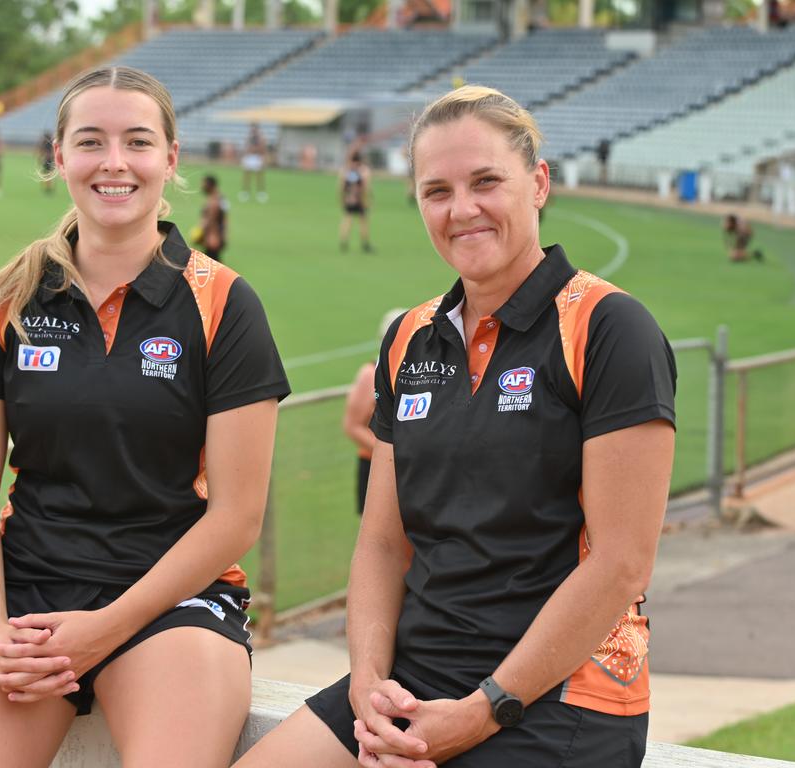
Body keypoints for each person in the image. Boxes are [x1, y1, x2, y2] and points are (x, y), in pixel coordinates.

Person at [235, 85, 676, 768]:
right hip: (417, 679)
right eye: (436, 190)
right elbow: (383, 543)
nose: (462, 209)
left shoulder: (610, 327)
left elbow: (621, 564)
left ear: (538, 183)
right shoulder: (410, 337)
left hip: (558, 698)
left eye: (486, 182)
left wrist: (483, 709)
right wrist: (368, 686)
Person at [0, 66, 290, 768]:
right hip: (25, 593)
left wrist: (105, 628)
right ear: (59, 157)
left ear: (171, 160)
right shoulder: (7, 301)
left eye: (138, 142)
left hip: (171, 598)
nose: (114, 162)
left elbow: (237, 516)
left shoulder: (225, 304)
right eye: (90, 141)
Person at [343, 309, 406, 516]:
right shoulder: (370, 373)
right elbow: (353, 426)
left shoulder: (422, 372)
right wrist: (393, 457)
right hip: (375, 467)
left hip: (412, 468)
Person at [339, 151, 373, 253]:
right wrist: (367, 200)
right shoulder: (364, 171)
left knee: (347, 219)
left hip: (349, 199)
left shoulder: (346, 170)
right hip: (360, 199)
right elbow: (366, 187)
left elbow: (341, 187)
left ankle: (343, 242)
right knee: (363, 221)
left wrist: (342, 199)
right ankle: (365, 244)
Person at [196, 174, 229, 263]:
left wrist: (211, 236)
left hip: (213, 237)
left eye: (204, 184)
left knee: (211, 264)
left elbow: (211, 220)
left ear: (210, 185)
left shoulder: (214, 201)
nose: (202, 186)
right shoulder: (221, 198)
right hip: (217, 236)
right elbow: (225, 219)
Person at [240, 122, 268, 202]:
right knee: (246, 176)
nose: (253, 129)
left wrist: (263, 158)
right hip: (249, 157)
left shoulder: (261, 137)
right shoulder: (249, 137)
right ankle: (245, 192)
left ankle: (261, 192)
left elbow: (262, 148)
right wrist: (245, 156)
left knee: (259, 176)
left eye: (254, 128)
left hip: (257, 157)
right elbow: (246, 147)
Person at [37, 130, 56, 194]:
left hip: (46, 159)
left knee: (46, 174)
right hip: (49, 159)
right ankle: (48, 187)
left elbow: (41, 151)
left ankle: (47, 187)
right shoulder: (50, 142)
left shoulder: (44, 142)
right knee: (49, 174)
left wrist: (39, 159)